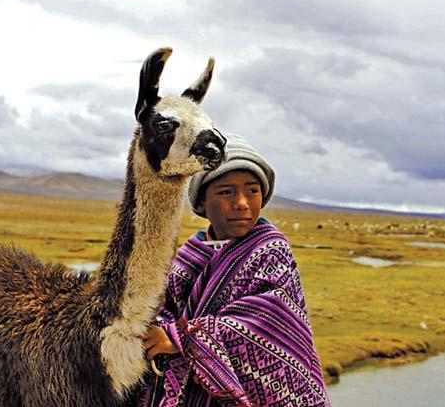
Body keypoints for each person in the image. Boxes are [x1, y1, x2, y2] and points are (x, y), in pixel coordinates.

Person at [140, 134, 330, 407]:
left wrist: (182, 338)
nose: (241, 202)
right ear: (202, 202)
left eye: (252, 191)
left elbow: (265, 324)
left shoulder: (270, 250)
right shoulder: (192, 252)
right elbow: (165, 307)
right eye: (226, 192)